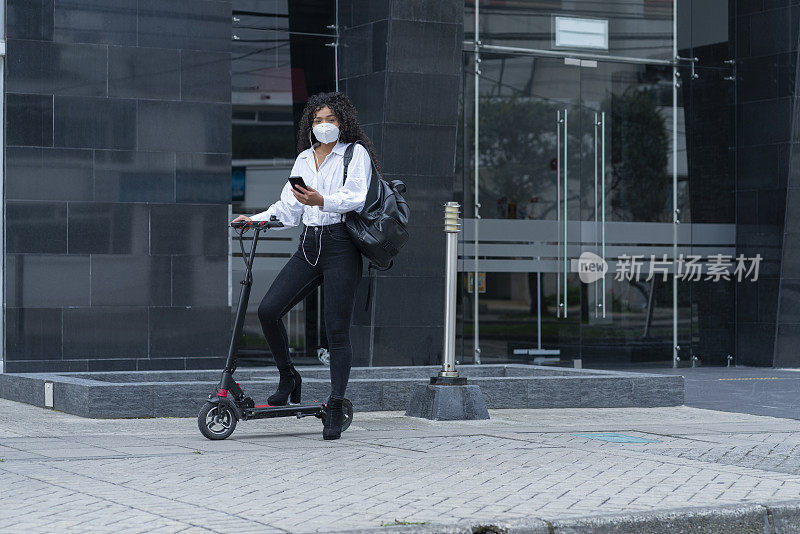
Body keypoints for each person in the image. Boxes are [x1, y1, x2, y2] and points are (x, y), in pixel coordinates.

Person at [231, 92, 379, 440]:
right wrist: (254, 219)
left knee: (336, 331)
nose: (323, 125)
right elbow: (289, 209)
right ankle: (289, 377)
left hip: (341, 244)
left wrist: (322, 199)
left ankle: (336, 404)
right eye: (316, 120)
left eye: (329, 119)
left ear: (342, 121)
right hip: (309, 244)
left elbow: (356, 196)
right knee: (268, 310)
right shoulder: (303, 159)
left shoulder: (354, 154)